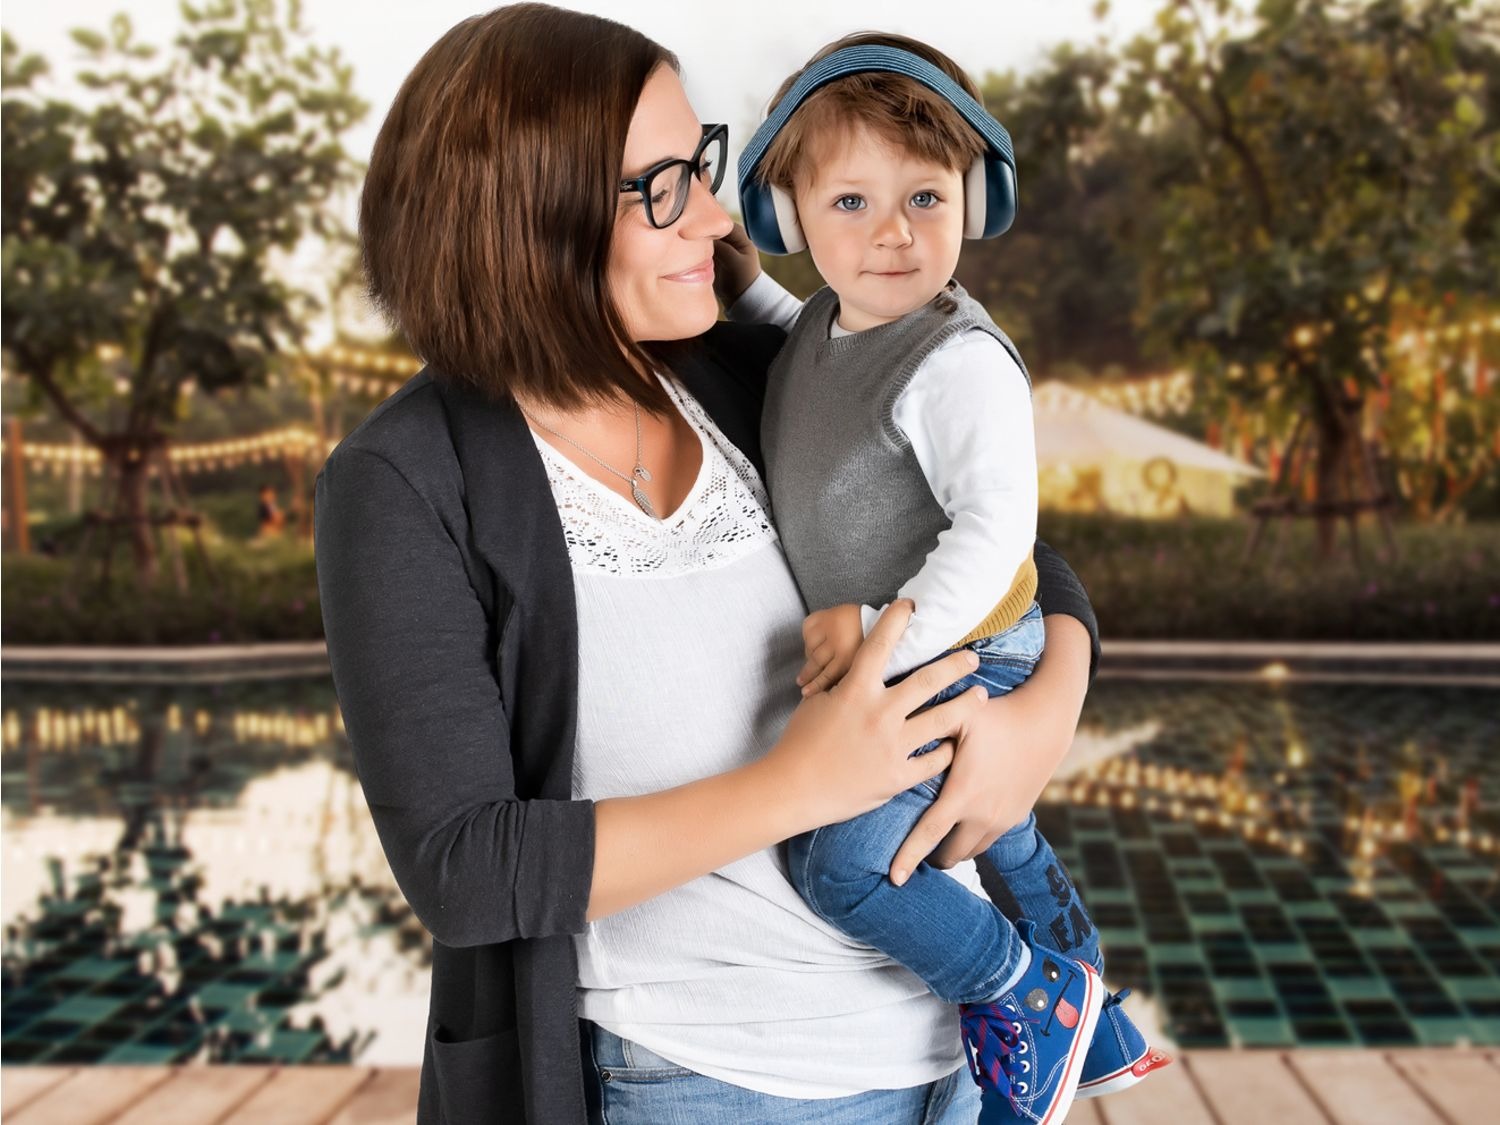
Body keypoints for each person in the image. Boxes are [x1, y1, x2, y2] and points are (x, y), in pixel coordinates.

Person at [315, 6, 1100, 1123]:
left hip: (961, 1058)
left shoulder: (737, 368)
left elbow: (1002, 541)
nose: (721, 218)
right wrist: (799, 786)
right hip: (711, 1081)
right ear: (528, 216)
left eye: (703, 166)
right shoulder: (406, 482)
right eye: (663, 187)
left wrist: (1044, 715)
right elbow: (466, 866)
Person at [723, 32, 1169, 1121]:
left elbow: (997, 533)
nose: (892, 233)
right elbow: (797, 337)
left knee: (842, 869)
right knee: (995, 823)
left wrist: (884, 634)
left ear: (975, 199)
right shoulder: (827, 324)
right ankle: (1099, 1016)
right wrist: (735, 276)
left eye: (925, 198)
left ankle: (1019, 990)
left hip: (967, 644)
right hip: (941, 646)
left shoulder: (958, 362)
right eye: (851, 203)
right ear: (789, 216)